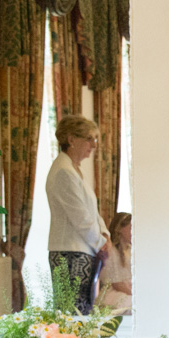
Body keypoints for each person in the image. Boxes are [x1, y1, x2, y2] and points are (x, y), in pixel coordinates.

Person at [47, 115, 109, 313]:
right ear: (71, 139)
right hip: (69, 252)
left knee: (82, 311)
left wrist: (105, 234)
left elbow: (92, 211)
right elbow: (80, 217)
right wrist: (100, 243)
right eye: (89, 139)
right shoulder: (63, 171)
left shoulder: (73, 170)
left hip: (81, 249)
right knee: (74, 314)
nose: (94, 145)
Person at [95, 211, 132, 313]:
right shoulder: (111, 252)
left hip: (128, 288)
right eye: (130, 228)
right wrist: (134, 293)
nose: (133, 231)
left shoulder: (130, 250)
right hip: (116, 292)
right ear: (119, 228)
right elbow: (116, 283)